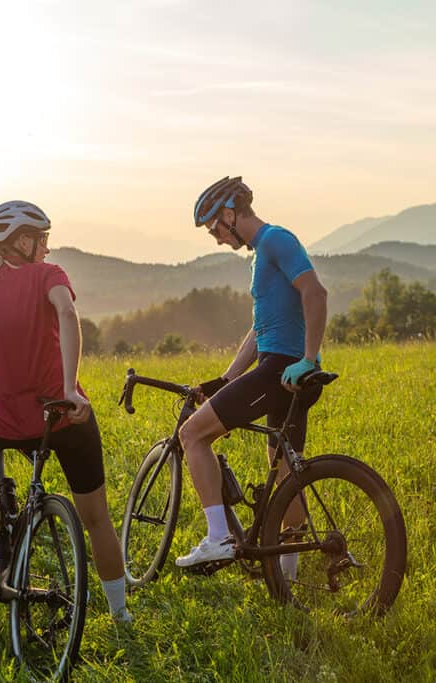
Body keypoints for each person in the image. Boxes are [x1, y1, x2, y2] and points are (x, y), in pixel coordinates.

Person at [0, 200, 131, 623]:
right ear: (20, 242)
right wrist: (69, 388)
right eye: (42, 239)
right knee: (97, 520)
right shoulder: (50, 277)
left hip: (7, 424)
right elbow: (67, 312)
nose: (48, 249)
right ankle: (121, 615)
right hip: (67, 417)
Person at [175, 177, 328, 571]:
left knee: (192, 434)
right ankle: (287, 579)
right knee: (285, 471)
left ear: (229, 214)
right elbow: (262, 331)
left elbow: (316, 292)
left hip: (282, 370)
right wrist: (226, 380)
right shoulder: (262, 252)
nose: (216, 238)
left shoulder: (276, 240)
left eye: (214, 229)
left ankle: (218, 536)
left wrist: (309, 359)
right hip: (284, 369)